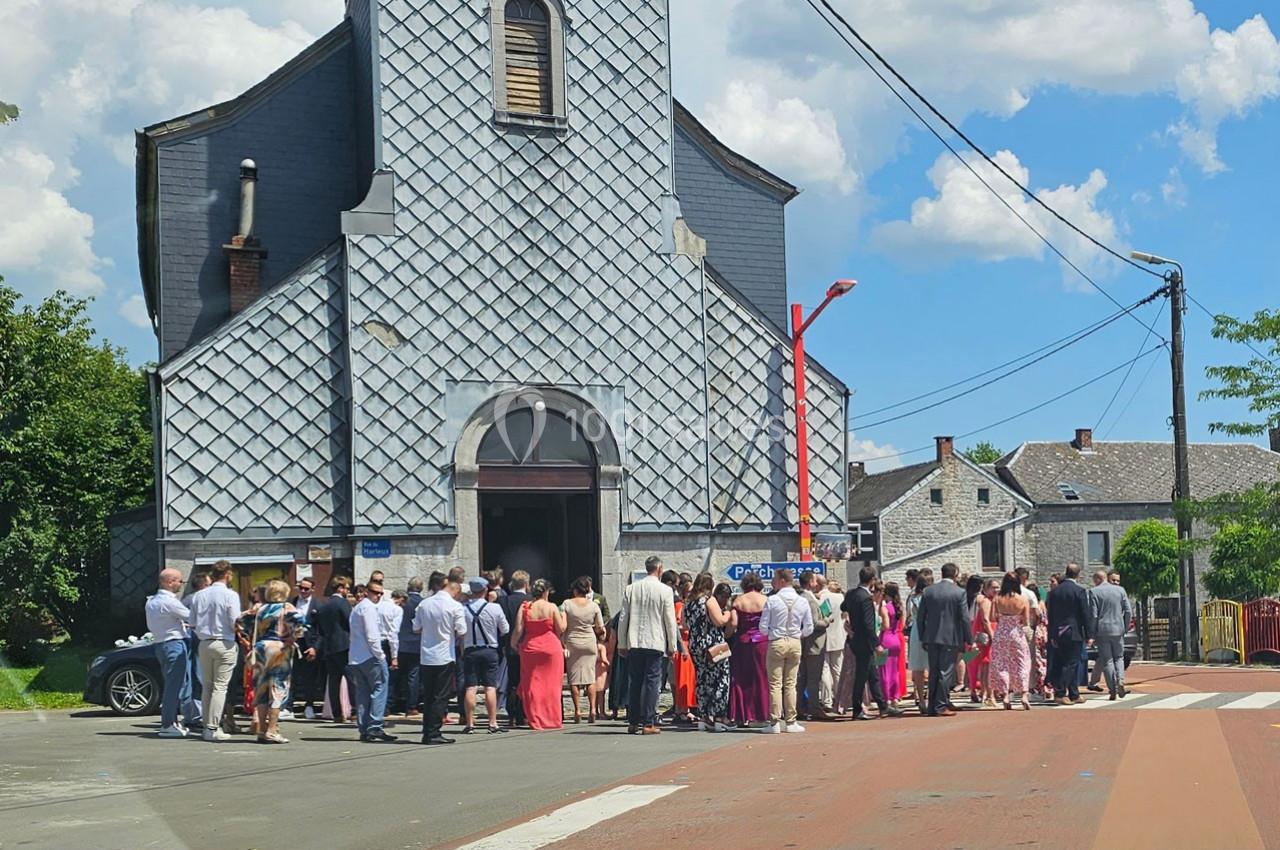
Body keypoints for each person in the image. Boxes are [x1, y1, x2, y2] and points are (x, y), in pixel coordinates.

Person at [617, 556, 679, 735]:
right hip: (655, 640)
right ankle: (649, 721)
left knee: (635, 681)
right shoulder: (665, 591)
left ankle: (633, 721)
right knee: (652, 681)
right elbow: (669, 621)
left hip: (635, 641)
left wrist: (622, 643)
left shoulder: (631, 588)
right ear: (659, 569)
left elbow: (623, 618)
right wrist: (672, 645)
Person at [240, 579, 307, 743]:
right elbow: (301, 624)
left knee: (261, 689)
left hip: (261, 649)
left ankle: (262, 729)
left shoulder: (259, 608)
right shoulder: (286, 607)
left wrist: (249, 637)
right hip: (279, 648)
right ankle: (272, 729)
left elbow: (240, 621)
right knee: (278, 688)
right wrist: (292, 637)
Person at [188, 560, 241, 742]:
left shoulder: (198, 595)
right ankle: (213, 727)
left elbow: (192, 622)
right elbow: (235, 621)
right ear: (227, 574)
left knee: (208, 686)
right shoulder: (231, 595)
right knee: (220, 687)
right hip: (224, 641)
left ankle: (207, 725)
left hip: (204, 642)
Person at [145, 568, 201, 737]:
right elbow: (192, 618)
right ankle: (168, 723)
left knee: (173, 684)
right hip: (174, 644)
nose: (181, 584)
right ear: (169, 582)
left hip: (161, 643)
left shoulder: (152, 601)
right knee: (174, 686)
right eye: (179, 581)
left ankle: (173, 722)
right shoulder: (170, 602)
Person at [842, 567, 903, 721]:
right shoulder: (866, 598)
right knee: (862, 676)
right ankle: (857, 709)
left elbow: (843, 608)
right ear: (871, 580)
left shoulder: (852, 594)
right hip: (865, 641)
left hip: (856, 639)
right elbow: (869, 624)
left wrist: (850, 622)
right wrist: (876, 644)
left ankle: (883, 706)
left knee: (872, 674)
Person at [414, 573, 466, 745]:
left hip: (427, 655)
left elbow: (416, 628)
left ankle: (427, 730)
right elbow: (462, 631)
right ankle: (433, 732)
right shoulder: (454, 606)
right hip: (444, 654)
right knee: (441, 695)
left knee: (428, 695)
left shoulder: (424, 604)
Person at [760, 568, 814, 733]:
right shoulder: (802, 601)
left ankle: (775, 722)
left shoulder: (773, 600)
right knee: (791, 684)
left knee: (775, 684)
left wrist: (772, 634)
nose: (773, 582)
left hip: (777, 641)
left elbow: (762, 627)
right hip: (794, 641)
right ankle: (791, 721)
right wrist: (798, 634)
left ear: (782, 580)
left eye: (775, 579)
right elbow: (809, 627)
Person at [916, 562, 970, 717]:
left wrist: (922, 637)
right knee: (945, 672)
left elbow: (921, 618)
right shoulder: (959, 592)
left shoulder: (928, 591)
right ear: (955, 574)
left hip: (931, 637)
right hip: (950, 637)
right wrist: (969, 638)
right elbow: (964, 618)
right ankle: (940, 705)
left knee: (934, 671)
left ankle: (933, 705)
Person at [513, 579, 567, 730]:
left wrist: (514, 644)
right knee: (552, 685)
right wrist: (565, 618)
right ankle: (552, 719)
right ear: (546, 592)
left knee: (532, 684)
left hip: (530, 647)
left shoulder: (525, 607)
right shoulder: (552, 607)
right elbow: (560, 628)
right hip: (551, 648)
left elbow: (518, 629)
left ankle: (535, 719)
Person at [347, 579, 397, 742]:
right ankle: (375, 726)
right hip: (370, 656)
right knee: (379, 689)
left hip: (356, 656)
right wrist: (381, 656)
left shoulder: (358, 608)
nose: (378, 596)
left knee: (363, 693)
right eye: (375, 592)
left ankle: (364, 727)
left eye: (381, 593)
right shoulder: (368, 608)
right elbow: (372, 635)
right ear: (367, 591)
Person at [460, 576, 510, 733]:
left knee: (470, 687)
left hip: (470, 649)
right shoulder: (494, 608)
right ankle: (492, 722)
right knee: (490, 687)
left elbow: (459, 631)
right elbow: (505, 629)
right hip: (489, 649)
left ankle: (469, 723)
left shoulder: (463, 609)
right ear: (485, 590)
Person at [686, 572, 732, 732]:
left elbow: (685, 625)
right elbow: (719, 621)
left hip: (695, 645)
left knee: (702, 680)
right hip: (712, 646)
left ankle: (704, 717)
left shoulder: (689, 603)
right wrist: (728, 613)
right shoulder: (708, 600)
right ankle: (719, 717)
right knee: (721, 679)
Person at [727, 572, 770, 728]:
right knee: (761, 679)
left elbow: (733, 623)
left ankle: (742, 715)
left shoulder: (739, 601)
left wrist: (727, 635)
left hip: (743, 641)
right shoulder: (766, 600)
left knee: (740, 679)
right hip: (762, 642)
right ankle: (762, 714)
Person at [561, 576, 605, 724]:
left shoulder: (567, 604)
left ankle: (578, 710)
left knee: (573, 678)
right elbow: (600, 626)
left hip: (573, 641)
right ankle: (593, 709)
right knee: (590, 676)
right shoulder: (593, 606)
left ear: (575, 590)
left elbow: (563, 626)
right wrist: (601, 636)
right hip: (589, 641)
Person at [1047, 563, 1091, 705]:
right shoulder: (1079, 591)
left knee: (1062, 662)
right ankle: (1060, 692)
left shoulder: (1054, 592)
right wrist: (1089, 634)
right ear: (1078, 575)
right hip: (1074, 631)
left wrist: (1052, 634)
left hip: (1058, 631)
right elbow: (1085, 614)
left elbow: (1051, 615)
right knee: (1072, 663)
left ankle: (1074, 693)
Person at [313, 576, 354, 722]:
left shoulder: (324, 605)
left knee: (334, 681)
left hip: (329, 647)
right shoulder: (342, 603)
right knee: (351, 678)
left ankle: (337, 713)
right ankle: (354, 710)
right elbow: (351, 622)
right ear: (340, 588)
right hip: (344, 645)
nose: (348, 591)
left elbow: (321, 629)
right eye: (347, 588)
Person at [989, 572, 1032, 710]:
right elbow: (1025, 621)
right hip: (1016, 633)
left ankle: (1005, 694)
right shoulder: (1022, 599)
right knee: (1022, 662)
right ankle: (1024, 694)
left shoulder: (997, 598)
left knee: (1001, 663)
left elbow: (992, 617)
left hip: (1001, 632)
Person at [1089, 569, 1133, 700]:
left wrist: (1092, 632)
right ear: (1106, 578)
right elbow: (1128, 611)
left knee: (1107, 660)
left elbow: (1094, 615)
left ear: (1097, 579)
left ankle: (1112, 689)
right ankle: (1120, 680)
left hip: (1102, 630)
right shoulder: (1120, 590)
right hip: (1118, 629)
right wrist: (1125, 626)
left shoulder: (1094, 592)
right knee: (1119, 657)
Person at [797, 570, 834, 721]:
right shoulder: (808, 599)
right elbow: (813, 623)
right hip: (814, 644)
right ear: (810, 582)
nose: (816, 583)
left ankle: (800, 707)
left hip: (808, 644)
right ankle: (813, 708)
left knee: (804, 678)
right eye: (814, 580)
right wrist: (827, 620)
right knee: (813, 678)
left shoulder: (806, 597)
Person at [498, 571, 531, 727]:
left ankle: (511, 715)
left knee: (512, 681)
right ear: (526, 584)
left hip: (510, 647)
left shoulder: (503, 601)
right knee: (527, 681)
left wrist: (503, 644)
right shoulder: (531, 601)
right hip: (528, 646)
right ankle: (523, 714)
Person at [394, 576, 425, 717]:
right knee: (414, 676)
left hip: (400, 642)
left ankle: (390, 704)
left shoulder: (401, 602)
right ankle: (411, 706)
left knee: (396, 675)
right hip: (416, 644)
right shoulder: (423, 603)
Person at [906, 569, 934, 712]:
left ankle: (921, 700)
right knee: (932, 666)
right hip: (930, 629)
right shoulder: (931, 596)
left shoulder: (913, 596)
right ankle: (929, 697)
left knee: (918, 667)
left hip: (917, 630)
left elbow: (909, 614)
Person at [670, 578, 697, 725]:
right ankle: (682, 709)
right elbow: (677, 624)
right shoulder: (680, 605)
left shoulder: (688, 605)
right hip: (683, 644)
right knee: (683, 679)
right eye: (689, 592)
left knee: (688, 679)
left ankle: (685, 709)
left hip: (689, 643)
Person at [817, 577, 846, 713]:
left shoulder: (819, 599)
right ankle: (841, 699)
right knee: (838, 669)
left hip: (824, 637)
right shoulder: (840, 597)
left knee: (825, 669)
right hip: (839, 636)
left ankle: (827, 700)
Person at [879, 582, 905, 707]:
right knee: (895, 670)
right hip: (896, 639)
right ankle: (895, 696)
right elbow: (902, 623)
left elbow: (886, 625)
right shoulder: (899, 606)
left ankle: (886, 697)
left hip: (885, 640)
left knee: (884, 670)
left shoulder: (885, 608)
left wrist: (879, 626)